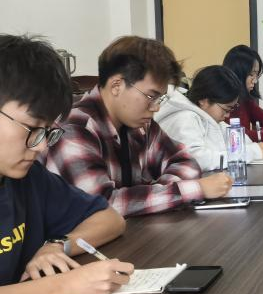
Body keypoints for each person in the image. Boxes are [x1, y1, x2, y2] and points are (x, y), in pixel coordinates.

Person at [0, 34, 131, 294]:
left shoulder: (28, 178)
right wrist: (65, 286)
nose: (41, 147)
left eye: (47, 131)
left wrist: (58, 245)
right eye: (32, 128)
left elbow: (110, 219)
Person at [45, 37, 233, 217]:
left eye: (160, 98)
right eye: (151, 96)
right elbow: (103, 206)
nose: (156, 107)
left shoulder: (140, 124)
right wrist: (193, 189)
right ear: (117, 85)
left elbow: (186, 162)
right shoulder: (75, 129)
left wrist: (156, 196)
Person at [156, 65, 263, 172]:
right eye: (226, 109)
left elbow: (245, 143)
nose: (228, 115)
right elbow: (197, 160)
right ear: (203, 100)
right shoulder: (184, 119)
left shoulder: (210, 118)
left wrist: (254, 149)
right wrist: (249, 153)